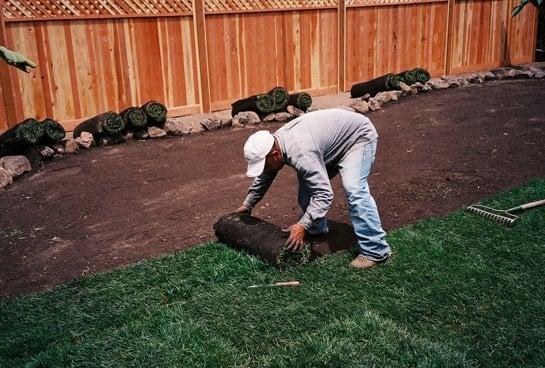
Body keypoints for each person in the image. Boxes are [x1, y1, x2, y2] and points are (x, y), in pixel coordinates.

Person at [236, 108, 391, 269]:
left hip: (357, 138)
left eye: (264, 165)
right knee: (307, 190)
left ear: (275, 155)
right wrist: (248, 205)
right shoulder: (276, 144)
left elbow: (324, 194)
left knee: (355, 190)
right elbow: (266, 174)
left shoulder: (301, 153)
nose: (264, 170)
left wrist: (302, 225)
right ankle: (316, 229)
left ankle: (376, 250)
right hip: (329, 145)